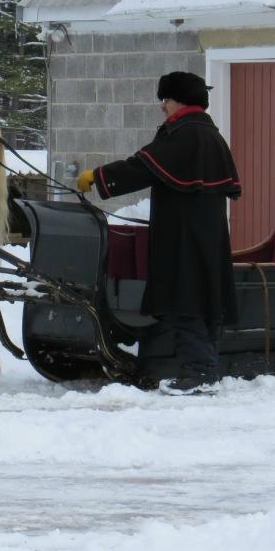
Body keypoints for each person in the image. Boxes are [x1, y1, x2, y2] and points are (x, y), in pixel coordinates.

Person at [76, 71, 241, 396]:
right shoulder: (208, 134)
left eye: (164, 99)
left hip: (185, 236)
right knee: (202, 298)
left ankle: (201, 374)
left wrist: (98, 176)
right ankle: (203, 368)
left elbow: (143, 167)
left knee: (187, 299)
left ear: (180, 100)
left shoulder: (185, 134)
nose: (161, 106)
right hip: (204, 236)